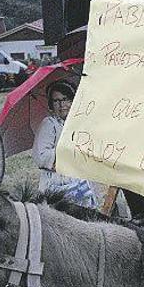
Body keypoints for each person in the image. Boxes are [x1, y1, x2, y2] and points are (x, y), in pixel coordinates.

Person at [32, 80, 98, 209]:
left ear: (72, 101)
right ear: (51, 104)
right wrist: (67, 150)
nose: (62, 104)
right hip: (57, 181)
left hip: (78, 179)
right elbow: (40, 157)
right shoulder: (49, 124)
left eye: (65, 99)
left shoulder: (77, 123)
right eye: (56, 101)